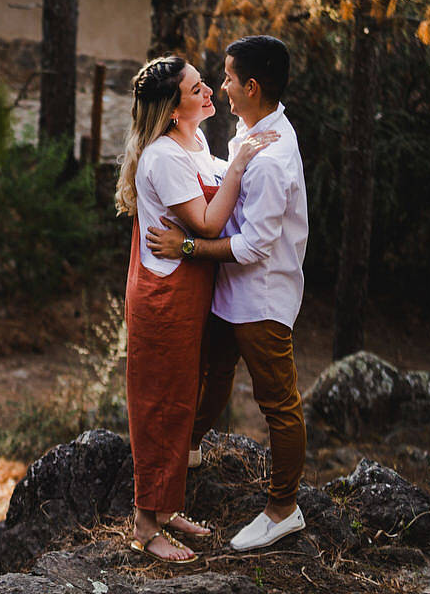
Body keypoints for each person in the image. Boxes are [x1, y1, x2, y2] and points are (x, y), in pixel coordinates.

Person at [147, 35, 309, 552]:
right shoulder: (253, 132)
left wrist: (187, 245)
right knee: (214, 368)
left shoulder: (271, 157)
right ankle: (189, 448)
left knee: (279, 404)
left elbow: (253, 248)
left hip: (260, 296)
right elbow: (224, 177)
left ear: (252, 86)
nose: (222, 85)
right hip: (230, 292)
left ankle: (283, 509)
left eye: (230, 77)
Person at [115, 55, 277, 563]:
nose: (208, 91)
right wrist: (245, 159)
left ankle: (167, 508)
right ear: (171, 109)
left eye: (205, 84)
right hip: (164, 299)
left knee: (183, 399)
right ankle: (145, 524)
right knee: (159, 404)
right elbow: (207, 223)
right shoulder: (162, 156)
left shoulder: (196, 140)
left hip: (187, 291)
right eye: (195, 89)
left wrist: (236, 161)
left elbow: (208, 198)